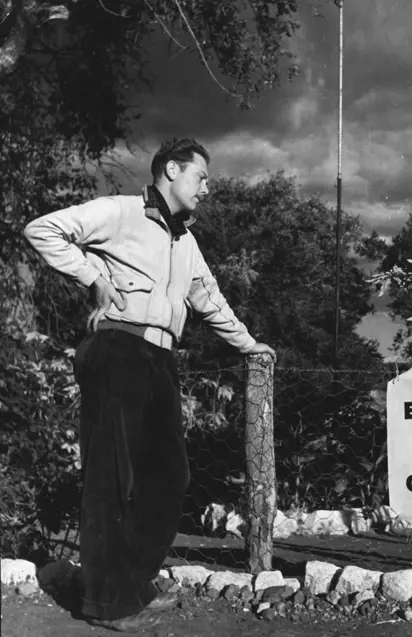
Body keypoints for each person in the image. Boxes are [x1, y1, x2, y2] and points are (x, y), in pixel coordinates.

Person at [24, 138, 276, 632]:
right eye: (200, 176)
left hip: (161, 357)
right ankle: (109, 602)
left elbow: (210, 300)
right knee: (111, 476)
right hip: (117, 347)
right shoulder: (119, 212)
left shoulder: (187, 242)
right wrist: (92, 275)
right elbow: (44, 229)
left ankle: (131, 585)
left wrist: (250, 346)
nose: (207, 186)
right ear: (172, 170)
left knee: (170, 476)